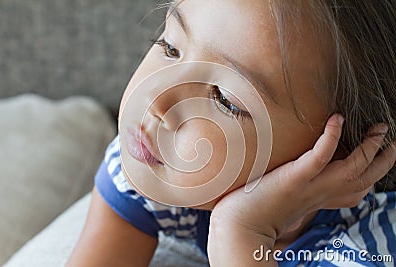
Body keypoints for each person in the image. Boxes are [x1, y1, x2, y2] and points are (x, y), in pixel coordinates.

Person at [67, 0, 396, 266]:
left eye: (225, 99)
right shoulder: (154, 160)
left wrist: (241, 234)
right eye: (170, 47)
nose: (155, 100)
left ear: (342, 155)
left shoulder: (364, 248)